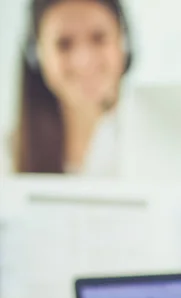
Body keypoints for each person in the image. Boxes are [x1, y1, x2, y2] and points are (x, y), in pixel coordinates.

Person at [7, 0, 133, 176]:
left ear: (123, 43)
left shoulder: (160, 142)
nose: (83, 61)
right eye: (63, 44)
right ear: (36, 56)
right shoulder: (7, 158)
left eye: (99, 38)